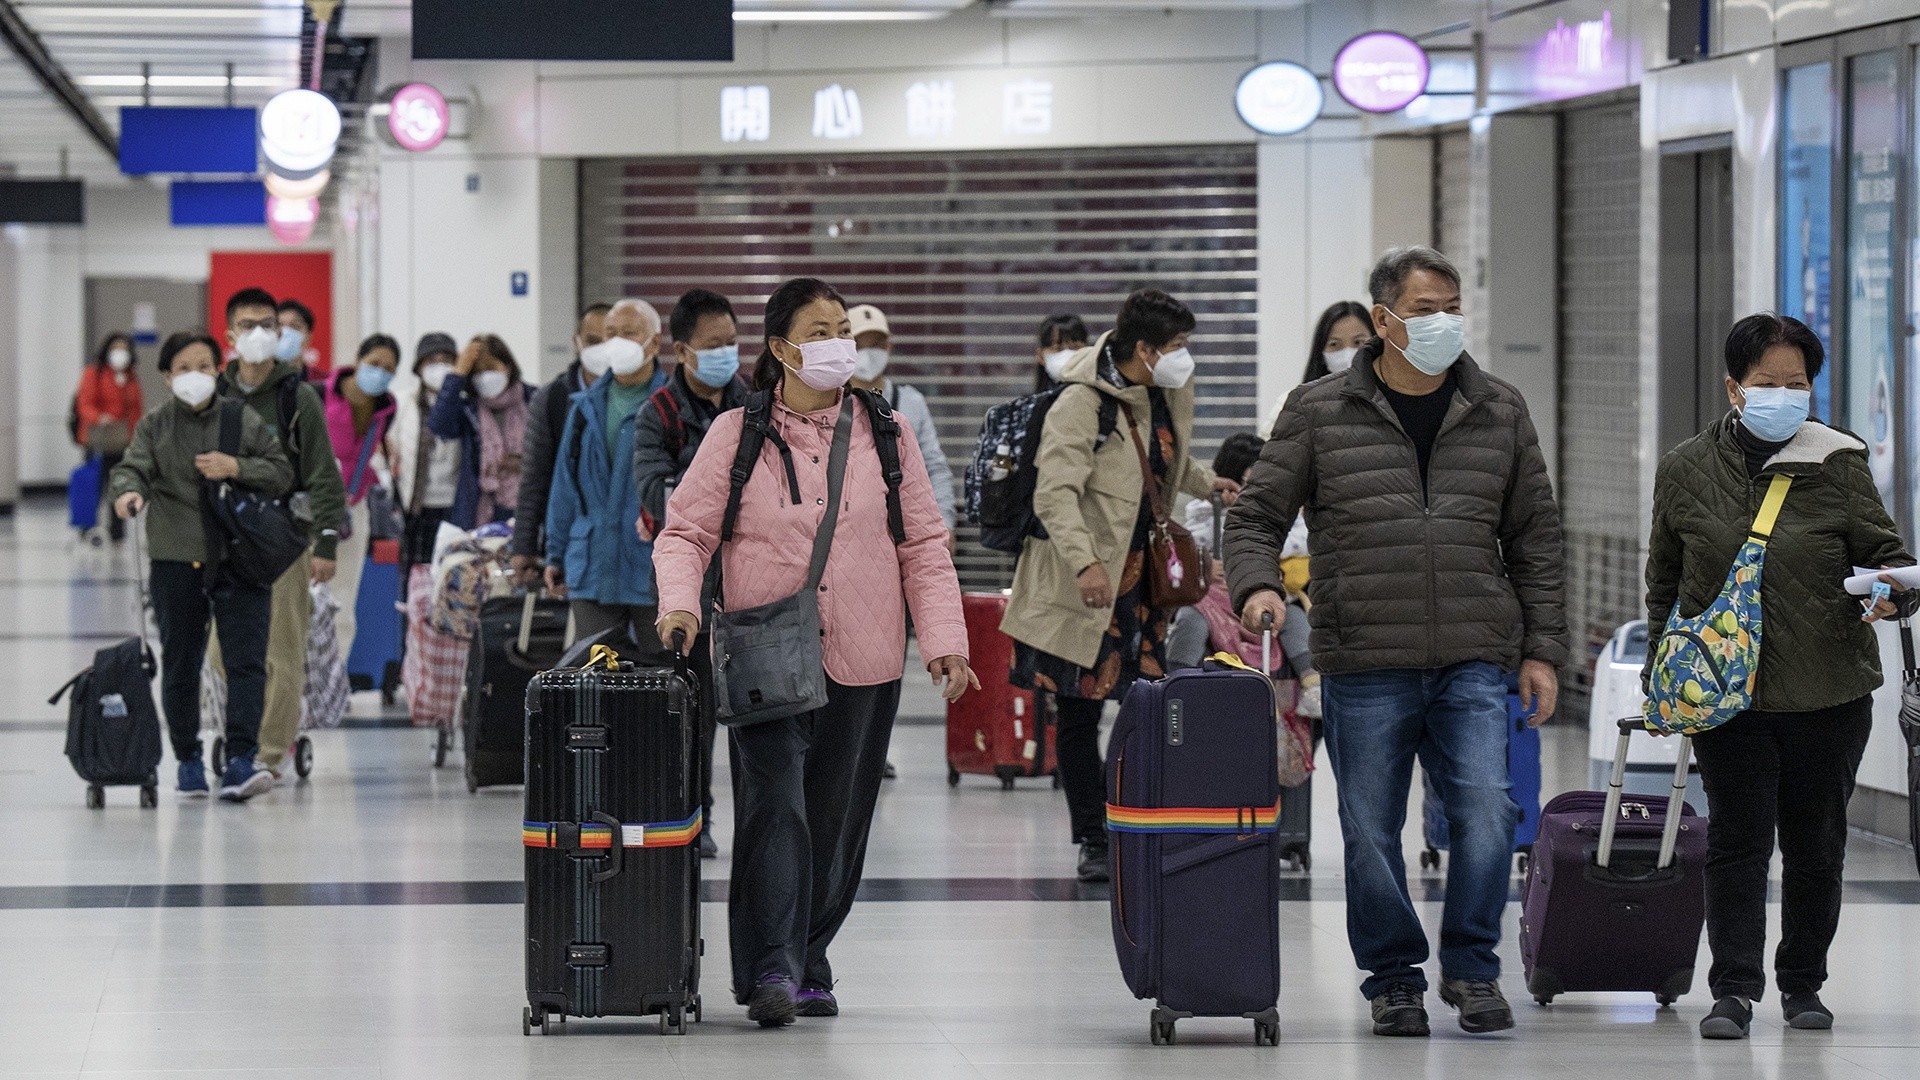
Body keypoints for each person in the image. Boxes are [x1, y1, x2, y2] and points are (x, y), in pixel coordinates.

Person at [1224, 246, 1567, 1038]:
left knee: (1488, 813)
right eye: (1423, 310)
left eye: (1452, 307)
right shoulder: (1318, 411)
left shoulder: (1500, 408)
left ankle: (1473, 968)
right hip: (1365, 654)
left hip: (1473, 653)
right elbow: (1255, 518)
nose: (1443, 322)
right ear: (1383, 319)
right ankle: (1394, 979)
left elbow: (1536, 540)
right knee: (1372, 831)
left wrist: (1542, 649)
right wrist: (1257, 585)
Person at [652, 277, 975, 1027]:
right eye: (819, 332)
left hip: (865, 654)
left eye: (842, 331)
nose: (838, 345)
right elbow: (685, 533)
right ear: (781, 348)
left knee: (836, 817)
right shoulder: (736, 433)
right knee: (775, 810)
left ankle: (810, 958)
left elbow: (924, 546)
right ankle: (772, 966)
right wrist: (679, 605)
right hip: (763, 653)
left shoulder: (886, 432)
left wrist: (945, 641)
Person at [1644, 313, 1915, 1041]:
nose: (1786, 395)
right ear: (1734, 388)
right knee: (1737, 844)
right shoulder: (1684, 468)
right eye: (1769, 383)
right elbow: (1664, 582)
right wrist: (1661, 680)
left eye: (1798, 384)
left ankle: (1803, 984)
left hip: (1829, 689)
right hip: (1726, 695)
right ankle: (1733, 989)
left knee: (1816, 845)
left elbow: (1888, 558)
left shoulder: (1840, 460)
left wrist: (1894, 592)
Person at [999, 289, 1237, 884]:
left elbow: (1161, 464)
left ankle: (1130, 823)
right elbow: (1054, 492)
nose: (1185, 356)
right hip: (1084, 583)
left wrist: (1208, 483)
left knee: (1143, 705)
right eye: (1177, 346)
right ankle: (1092, 837)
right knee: (1079, 713)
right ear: (1144, 350)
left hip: (1141, 584)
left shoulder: (1161, 393)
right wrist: (1085, 564)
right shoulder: (1083, 402)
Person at [109, 331, 292, 801]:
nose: (196, 376)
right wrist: (128, 492)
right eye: (184, 368)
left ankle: (241, 759)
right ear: (167, 377)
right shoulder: (155, 425)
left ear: (218, 370)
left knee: (246, 661)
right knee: (181, 661)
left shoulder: (239, 419)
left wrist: (237, 467)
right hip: (176, 557)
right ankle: (187, 758)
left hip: (238, 555)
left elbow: (280, 471)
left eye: (205, 367)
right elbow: (132, 468)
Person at [633, 287, 749, 859]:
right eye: (713, 345)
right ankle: (693, 817)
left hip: (753, 588)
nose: (727, 354)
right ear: (682, 351)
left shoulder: (757, 405)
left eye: (732, 342)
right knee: (693, 713)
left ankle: (759, 823)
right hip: (693, 592)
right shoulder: (658, 413)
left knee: (757, 712)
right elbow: (657, 496)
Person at [215, 287, 347, 779]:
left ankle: (268, 754)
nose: (259, 334)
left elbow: (323, 475)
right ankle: (243, 736)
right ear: (230, 335)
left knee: (281, 649)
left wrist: (326, 541)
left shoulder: (298, 397)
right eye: (247, 325)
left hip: (284, 540)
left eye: (267, 325)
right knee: (220, 651)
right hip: (224, 538)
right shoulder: (215, 395)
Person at [544, 298, 671, 642]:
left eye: (629, 333)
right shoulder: (584, 408)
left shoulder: (671, 407)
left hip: (654, 573)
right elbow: (564, 487)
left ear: (654, 343)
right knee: (594, 669)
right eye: (610, 334)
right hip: (591, 568)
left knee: (659, 671)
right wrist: (555, 554)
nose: (616, 342)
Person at [510, 304, 611, 585]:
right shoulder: (552, 399)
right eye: (593, 341)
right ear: (576, 342)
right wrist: (523, 546)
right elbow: (534, 477)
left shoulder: (639, 400)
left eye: (609, 341)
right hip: (569, 540)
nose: (601, 350)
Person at [322, 334, 400, 658]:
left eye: (388, 369)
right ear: (357, 360)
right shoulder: (318, 394)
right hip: (311, 507)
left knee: (344, 597)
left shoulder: (385, 409)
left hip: (353, 509)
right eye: (374, 363)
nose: (380, 372)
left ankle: (334, 673)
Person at [848, 303, 955, 536]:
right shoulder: (835, 405)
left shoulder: (911, 402)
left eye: (876, 344)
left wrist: (945, 522)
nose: (867, 353)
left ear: (888, 346)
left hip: (909, 528)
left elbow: (934, 466)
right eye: (859, 345)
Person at [1165, 432, 1264, 669]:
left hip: (1253, 591)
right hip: (1210, 594)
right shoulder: (1203, 510)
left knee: (1294, 621)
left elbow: (1292, 540)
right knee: (1192, 618)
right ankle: (1177, 677)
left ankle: (1309, 679)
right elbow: (1190, 547)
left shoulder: (1271, 510)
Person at [427, 333, 532, 529]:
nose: (484, 376)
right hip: (481, 507)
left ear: (508, 367)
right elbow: (439, 426)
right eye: (476, 372)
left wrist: (524, 462)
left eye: (491, 368)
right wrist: (457, 374)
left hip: (529, 503)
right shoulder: (468, 408)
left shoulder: (533, 399)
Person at [391, 333, 462, 572]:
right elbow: (386, 451)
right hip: (415, 506)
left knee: (453, 577)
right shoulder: (403, 402)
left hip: (456, 505)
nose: (439, 367)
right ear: (419, 367)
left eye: (446, 361)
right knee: (415, 580)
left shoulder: (465, 403)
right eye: (432, 361)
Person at [1263, 300, 1376, 439]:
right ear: (1321, 352)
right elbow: (1265, 448)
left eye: (1358, 342)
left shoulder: (1389, 401)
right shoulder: (1290, 404)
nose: (1348, 354)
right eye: (1334, 344)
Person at [75, 332, 145, 542]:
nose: (120, 354)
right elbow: (84, 403)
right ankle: (88, 528)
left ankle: (117, 529)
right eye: (116, 349)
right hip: (98, 438)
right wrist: (99, 417)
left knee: (119, 485)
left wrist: (136, 436)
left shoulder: (131, 377)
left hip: (122, 440)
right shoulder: (94, 373)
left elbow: (136, 409)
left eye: (124, 349)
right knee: (94, 485)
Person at [1034, 313, 1090, 393]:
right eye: (1058, 349)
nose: (1067, 354)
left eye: (1075, 348)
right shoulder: (1031, 401)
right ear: (1040, 356)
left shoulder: (1102, 398)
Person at [276, 297, 324, 378]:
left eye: (295, 326)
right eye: (279, 325)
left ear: (309, 338)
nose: (286, 333)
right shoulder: (257, 380)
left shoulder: (323, 381)